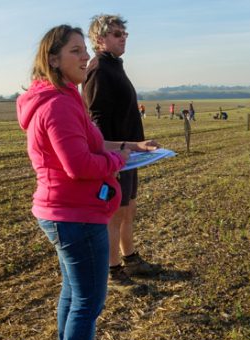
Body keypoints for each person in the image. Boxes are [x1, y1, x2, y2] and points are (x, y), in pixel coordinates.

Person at [17, 24, 133, 340]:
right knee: (87, 301)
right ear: (53, 59)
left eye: (85, 50)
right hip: (73, 215)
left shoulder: (63, 95)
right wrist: (118, 161)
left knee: (73, 296)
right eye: (74, 51)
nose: (84, 57)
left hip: (66, 212)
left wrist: (131, 146)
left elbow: (92, 144)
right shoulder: (58, 103)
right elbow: (80, 164)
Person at [84, 14, 162, 290]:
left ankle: (131, 259)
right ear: (99, 39)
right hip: (116, 157)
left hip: (129, 154)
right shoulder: (98, 69)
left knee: (128, 210)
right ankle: (113, 271)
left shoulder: (114, 66)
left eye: (124, 34)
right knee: (114, 214)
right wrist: (111, 159)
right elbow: (97, 121)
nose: (123, 38)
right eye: (117, 34)